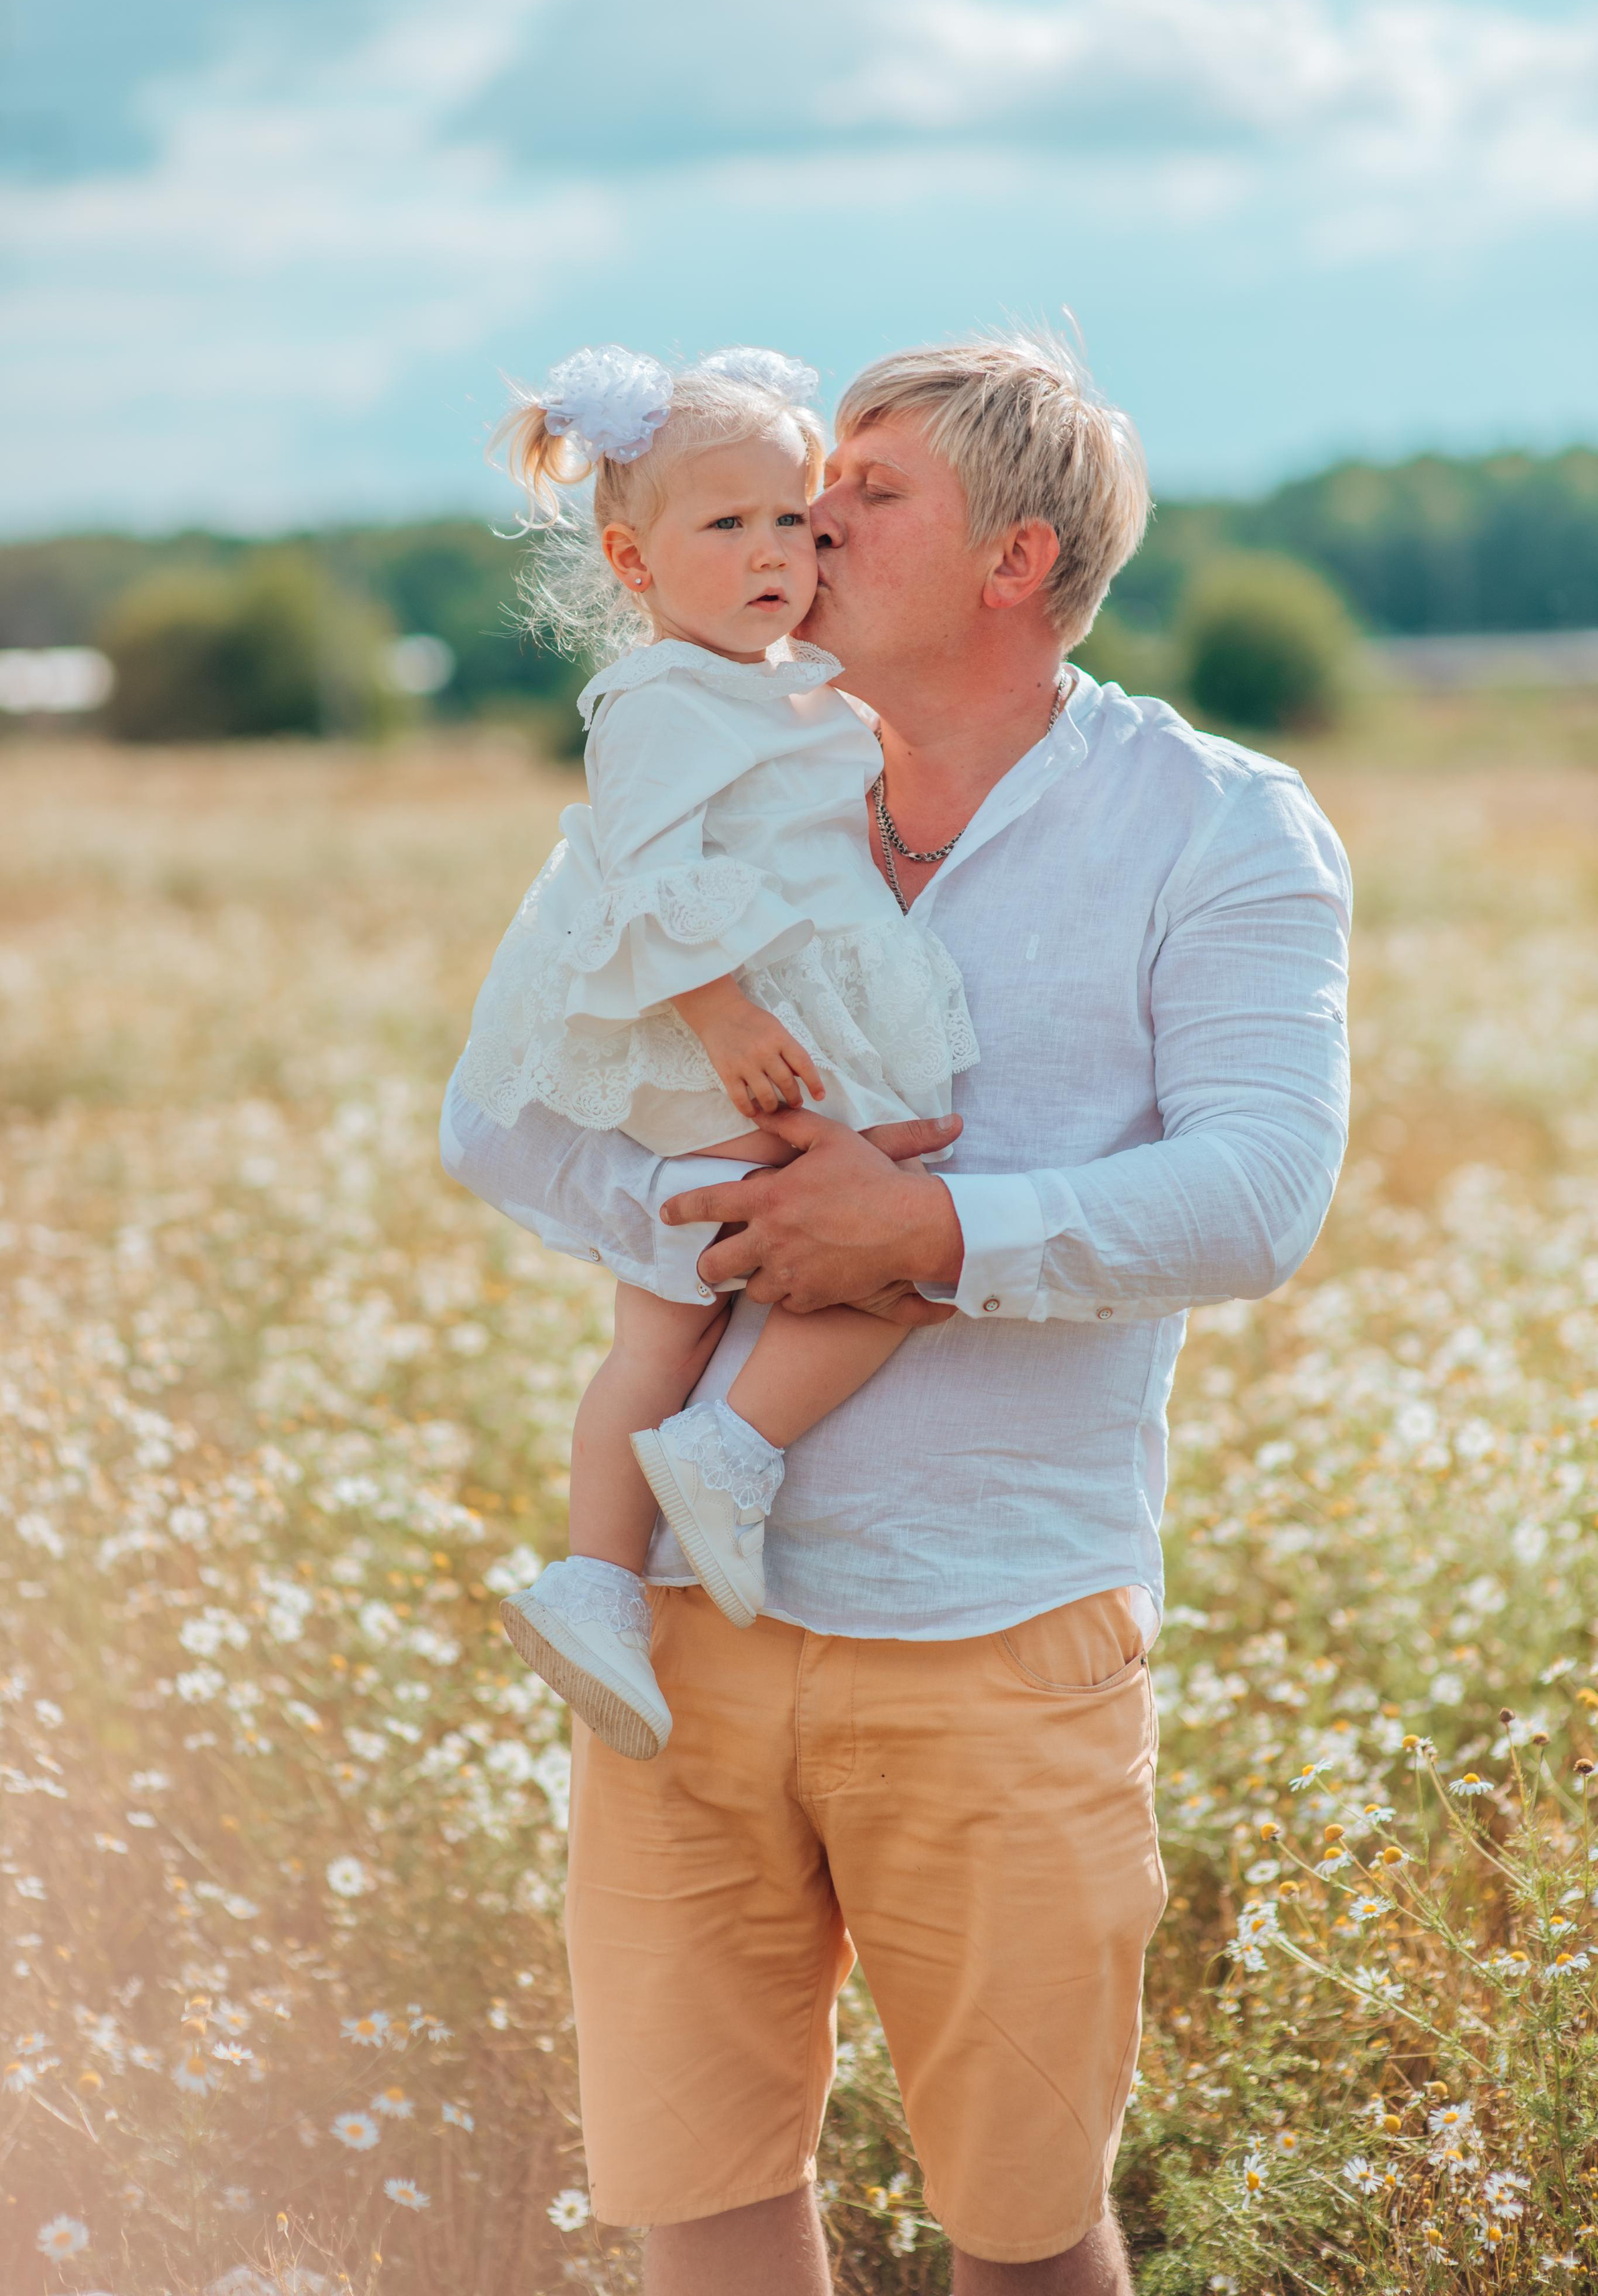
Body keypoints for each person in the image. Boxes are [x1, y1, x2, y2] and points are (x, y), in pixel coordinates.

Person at [441, 329, 1351, 2294]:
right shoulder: (705, 776)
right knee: (702, 2210)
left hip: (998, 1636)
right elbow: (498, 1121)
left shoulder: (1216, 825)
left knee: (1024, 2241)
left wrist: (923, 1234)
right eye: (805, 486)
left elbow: (1259, 1194)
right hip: (675, 1649)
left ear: (1014, 562)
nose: (810, 517)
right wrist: (738, 1222)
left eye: (869, 487)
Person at [458, 343, 977, 1761]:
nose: (775, 555)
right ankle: (725, 1450)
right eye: (725, 526)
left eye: (791, 523)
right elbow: (636, 869)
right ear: (631, 562)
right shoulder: (660, 701)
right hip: (725, 1026)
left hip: (754, 1014)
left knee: (670, 1307)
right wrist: (723, 1013)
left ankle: (596, 1579)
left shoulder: (784, 683)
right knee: (884, 1246)